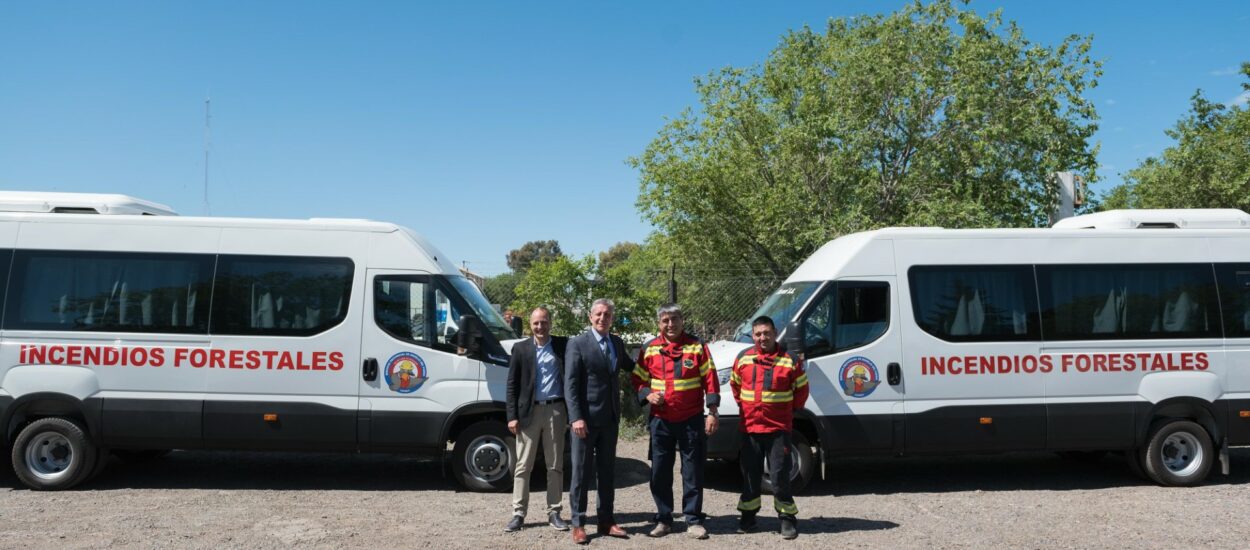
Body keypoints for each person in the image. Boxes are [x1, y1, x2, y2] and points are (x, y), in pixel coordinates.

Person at [630, 304, 719, 539]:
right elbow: (638, 379)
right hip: (660, 421)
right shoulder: (649, 348)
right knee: (659, 471)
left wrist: (712, 411)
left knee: (693, 471)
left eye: (675, 319)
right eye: (666, 320)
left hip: (691, 419)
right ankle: (664, 518)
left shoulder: (697, 346)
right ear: (659, 323)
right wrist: (647, 394)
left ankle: (693, 520)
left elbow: (710, 379)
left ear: (682, 320)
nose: (671, 325)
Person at [730, 315, 809, 540]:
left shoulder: (789, 360)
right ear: (753, 336)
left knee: (779, 476)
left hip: (778, 430)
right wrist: (746, 406)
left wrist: (785, 411)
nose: (762, 337)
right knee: (750, 476)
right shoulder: (743, 358)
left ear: (775, 333)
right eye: (758, 334)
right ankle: (748, 517)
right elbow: (735, 385)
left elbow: (801, 391)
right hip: (750, 428)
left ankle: (787, 519)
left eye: (766, 333)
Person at [564, 298, 634, 544]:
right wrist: (576, 417)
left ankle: (606, 520)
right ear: (590, 317)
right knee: (581, 473)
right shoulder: (577, 344)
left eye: (607, 315)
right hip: (584, 421)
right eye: (599, 314)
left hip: (610, 420)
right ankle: (578, 523)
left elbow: (632, 366)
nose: (603, 318)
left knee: (607, 472)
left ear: (612, 318)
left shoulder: (616, 342)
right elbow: (570, 385)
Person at [504, 307, 570, 533]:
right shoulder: (521, 349)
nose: (540, 327)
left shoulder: (562, 346)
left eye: (544, 322)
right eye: (536, 323)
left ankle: (555, 512)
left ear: (550, 322)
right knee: (523, 466)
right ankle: (518, 514)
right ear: (530, 325)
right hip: (528, 414)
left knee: (555, 466)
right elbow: (511, 385)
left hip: (556, 411)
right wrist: (511, 416)